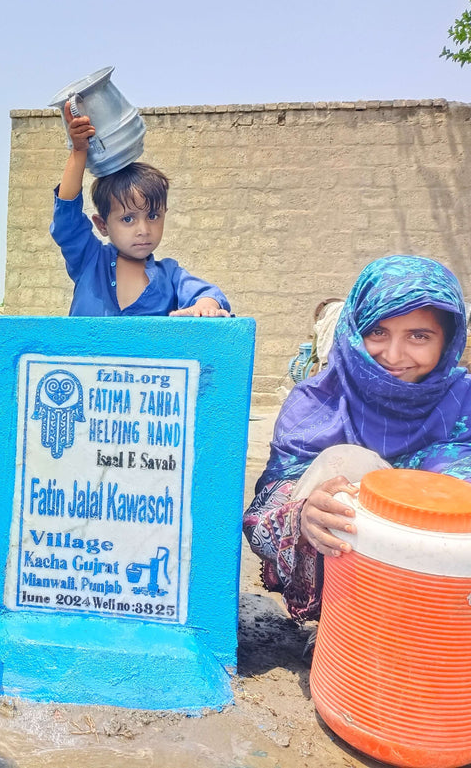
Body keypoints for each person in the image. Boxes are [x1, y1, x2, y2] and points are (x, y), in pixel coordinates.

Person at [244, 254, 471, 621]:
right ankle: (342, 628)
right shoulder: (317, 402)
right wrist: (304, 516)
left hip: (444, 599)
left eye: (419, 335)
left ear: (447, 341)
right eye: (377, 332)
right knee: (344, 462)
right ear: (354, 331)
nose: (394, 355)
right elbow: (262, 514)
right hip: (349, 592)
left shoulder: (463, 401)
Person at [52, 102, 231, 317]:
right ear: (102, 225)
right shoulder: (90, 260)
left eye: (153, 216)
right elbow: (67, 222)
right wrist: (78, 152)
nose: (143, 229)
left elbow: (207, 293)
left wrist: (206, 306)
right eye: (128, 219)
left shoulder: (170, 276)